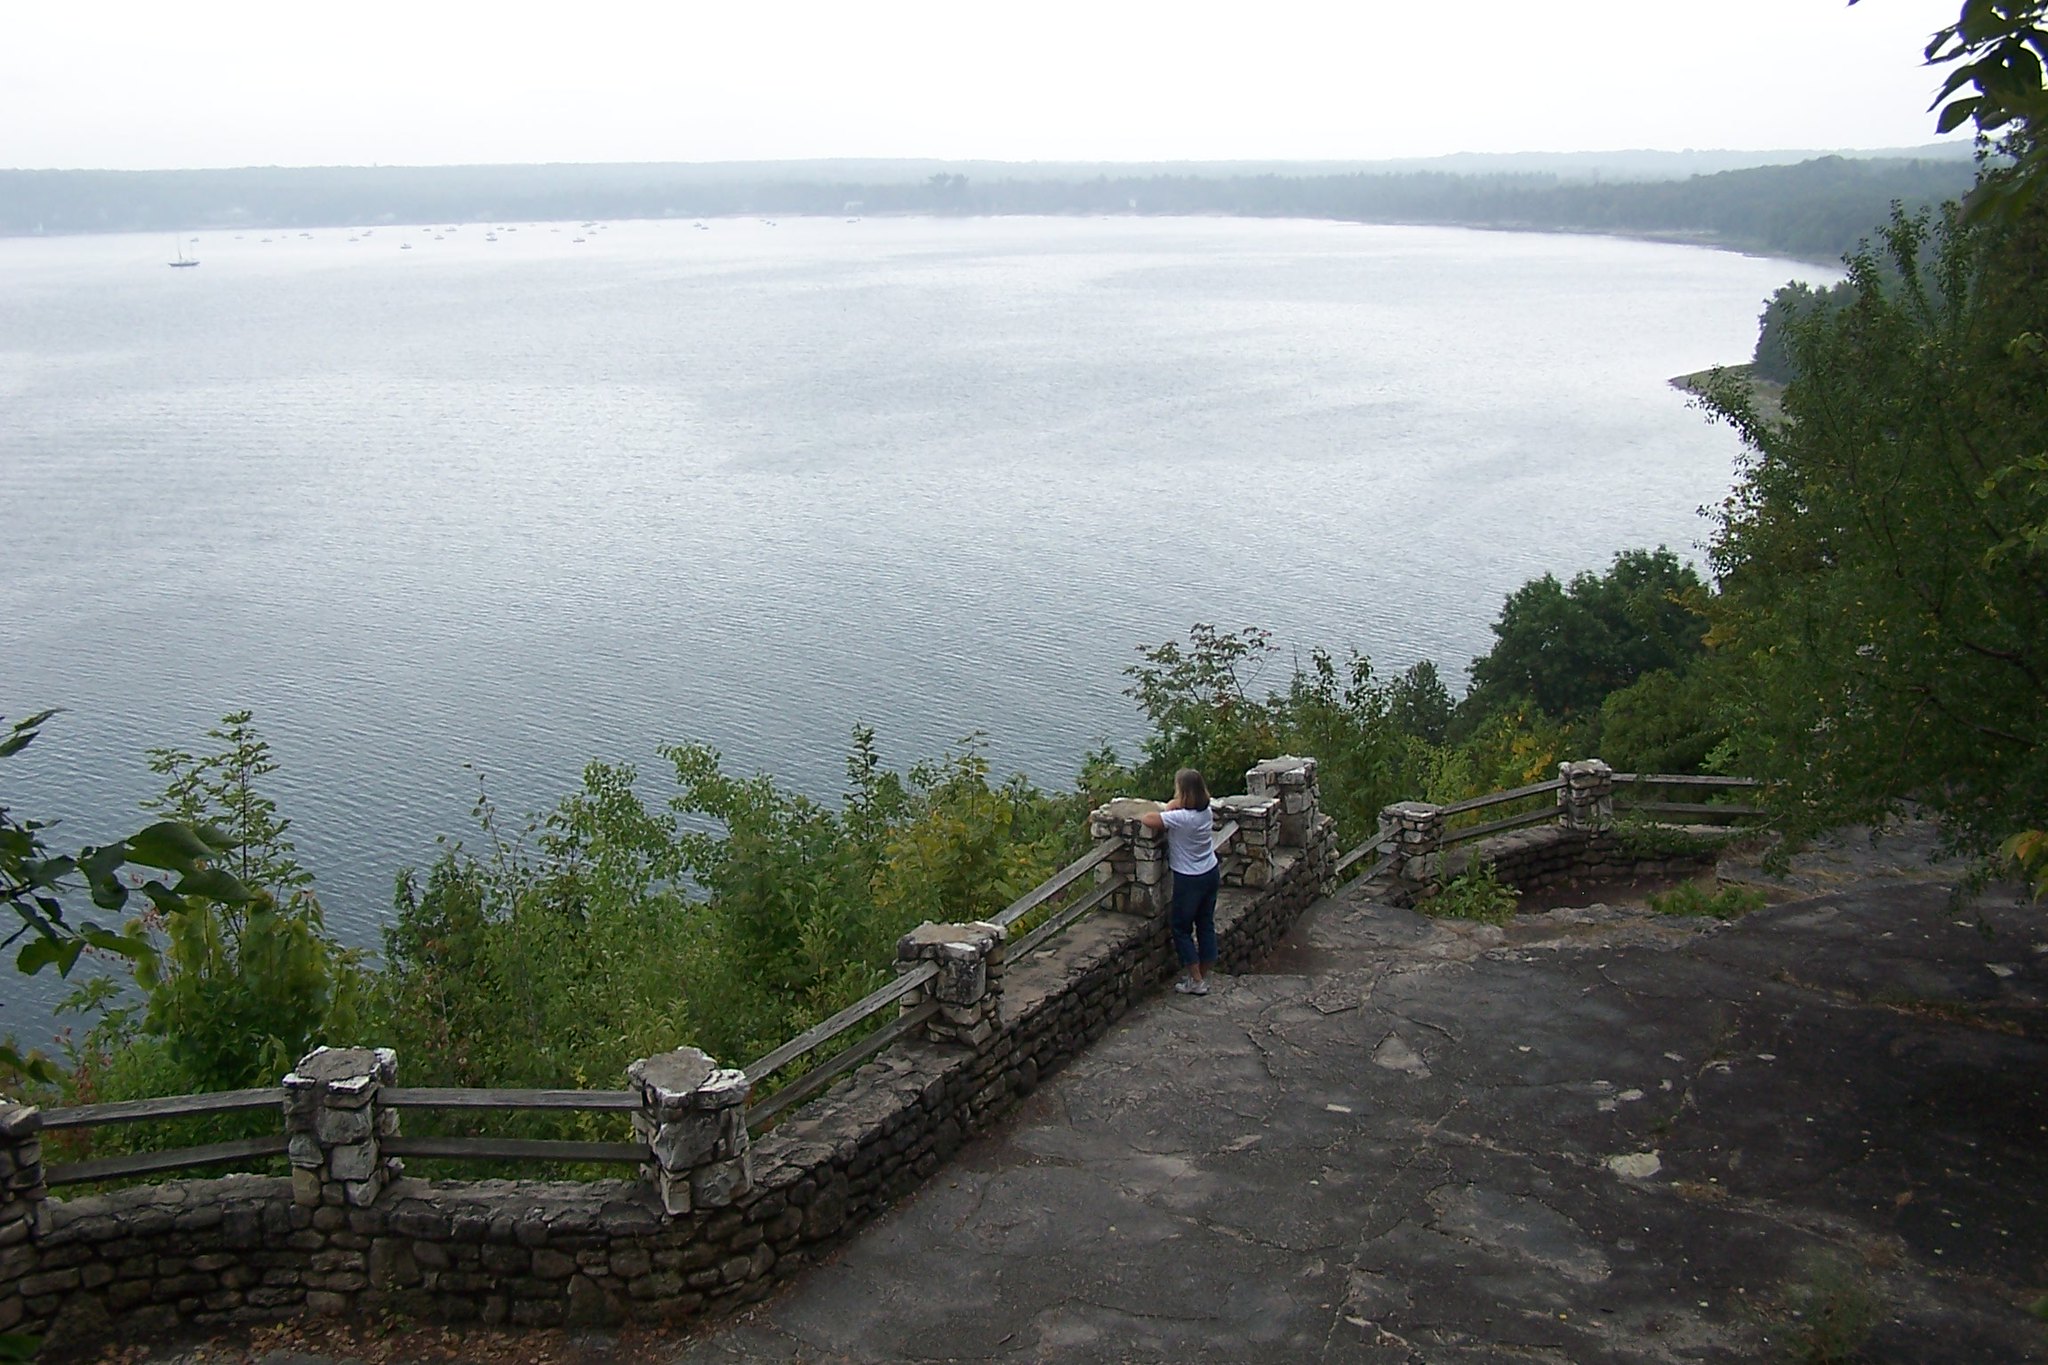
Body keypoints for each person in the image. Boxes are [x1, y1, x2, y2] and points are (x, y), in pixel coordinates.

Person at [1141, 767, 1220, 996]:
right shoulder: (1205, 812)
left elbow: (1148, 819)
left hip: (1189, 879)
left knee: (1181, 928)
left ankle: (1196, 981)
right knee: (1205, 924)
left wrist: (1169, 806)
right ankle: (1202, 973)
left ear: (1184, 792)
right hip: (1210, 872)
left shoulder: (1182, 818)